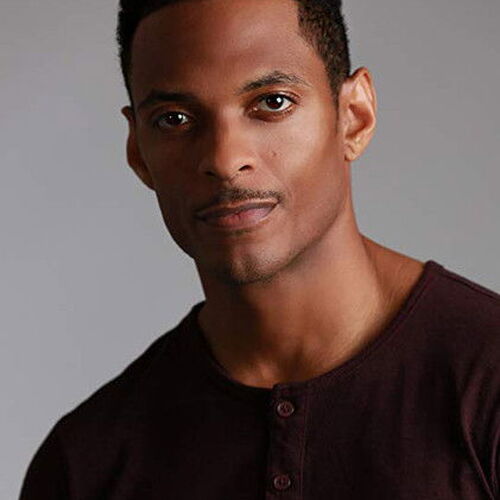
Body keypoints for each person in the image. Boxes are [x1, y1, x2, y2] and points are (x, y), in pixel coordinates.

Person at [20, 0, 500, 498]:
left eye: (272, 103)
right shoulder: (86, 464)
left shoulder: (486, 384)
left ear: (354, 117)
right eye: (175, 119)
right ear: (138, 151)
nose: (225, 159)